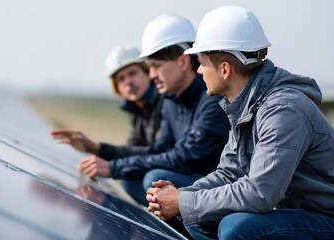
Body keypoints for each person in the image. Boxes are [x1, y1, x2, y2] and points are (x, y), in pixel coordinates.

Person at [146, 6, 334, 240]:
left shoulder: (283, 110)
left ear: (224, 69)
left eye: (202, 62)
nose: (199, 70)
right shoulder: (245, 104)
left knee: (236, 227)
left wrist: (182, 201)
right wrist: (181, 195)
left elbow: (261, 193)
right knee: (199, 217)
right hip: (296, 216)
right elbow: (229, 173)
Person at [76, 13, 230, 207]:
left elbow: (185, 157)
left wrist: (114, 167)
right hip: (194, 184)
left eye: (156, 66)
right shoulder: (170, 100)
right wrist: (106, 157)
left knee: (155, 180)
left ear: (183, 62)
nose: (152, 75)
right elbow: (159, 150)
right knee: (131, 180)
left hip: (220, 191)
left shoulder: (212, 99)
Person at [52, 45, 163, 159]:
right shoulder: (136, 110)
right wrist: (94, 160)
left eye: (132, 73)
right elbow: (132, 152)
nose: (128, 82)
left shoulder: (164, 103)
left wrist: (96, 148)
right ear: (117, 87)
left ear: (148, 73)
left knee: (153, 175)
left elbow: (159, 154)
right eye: (121, 78)